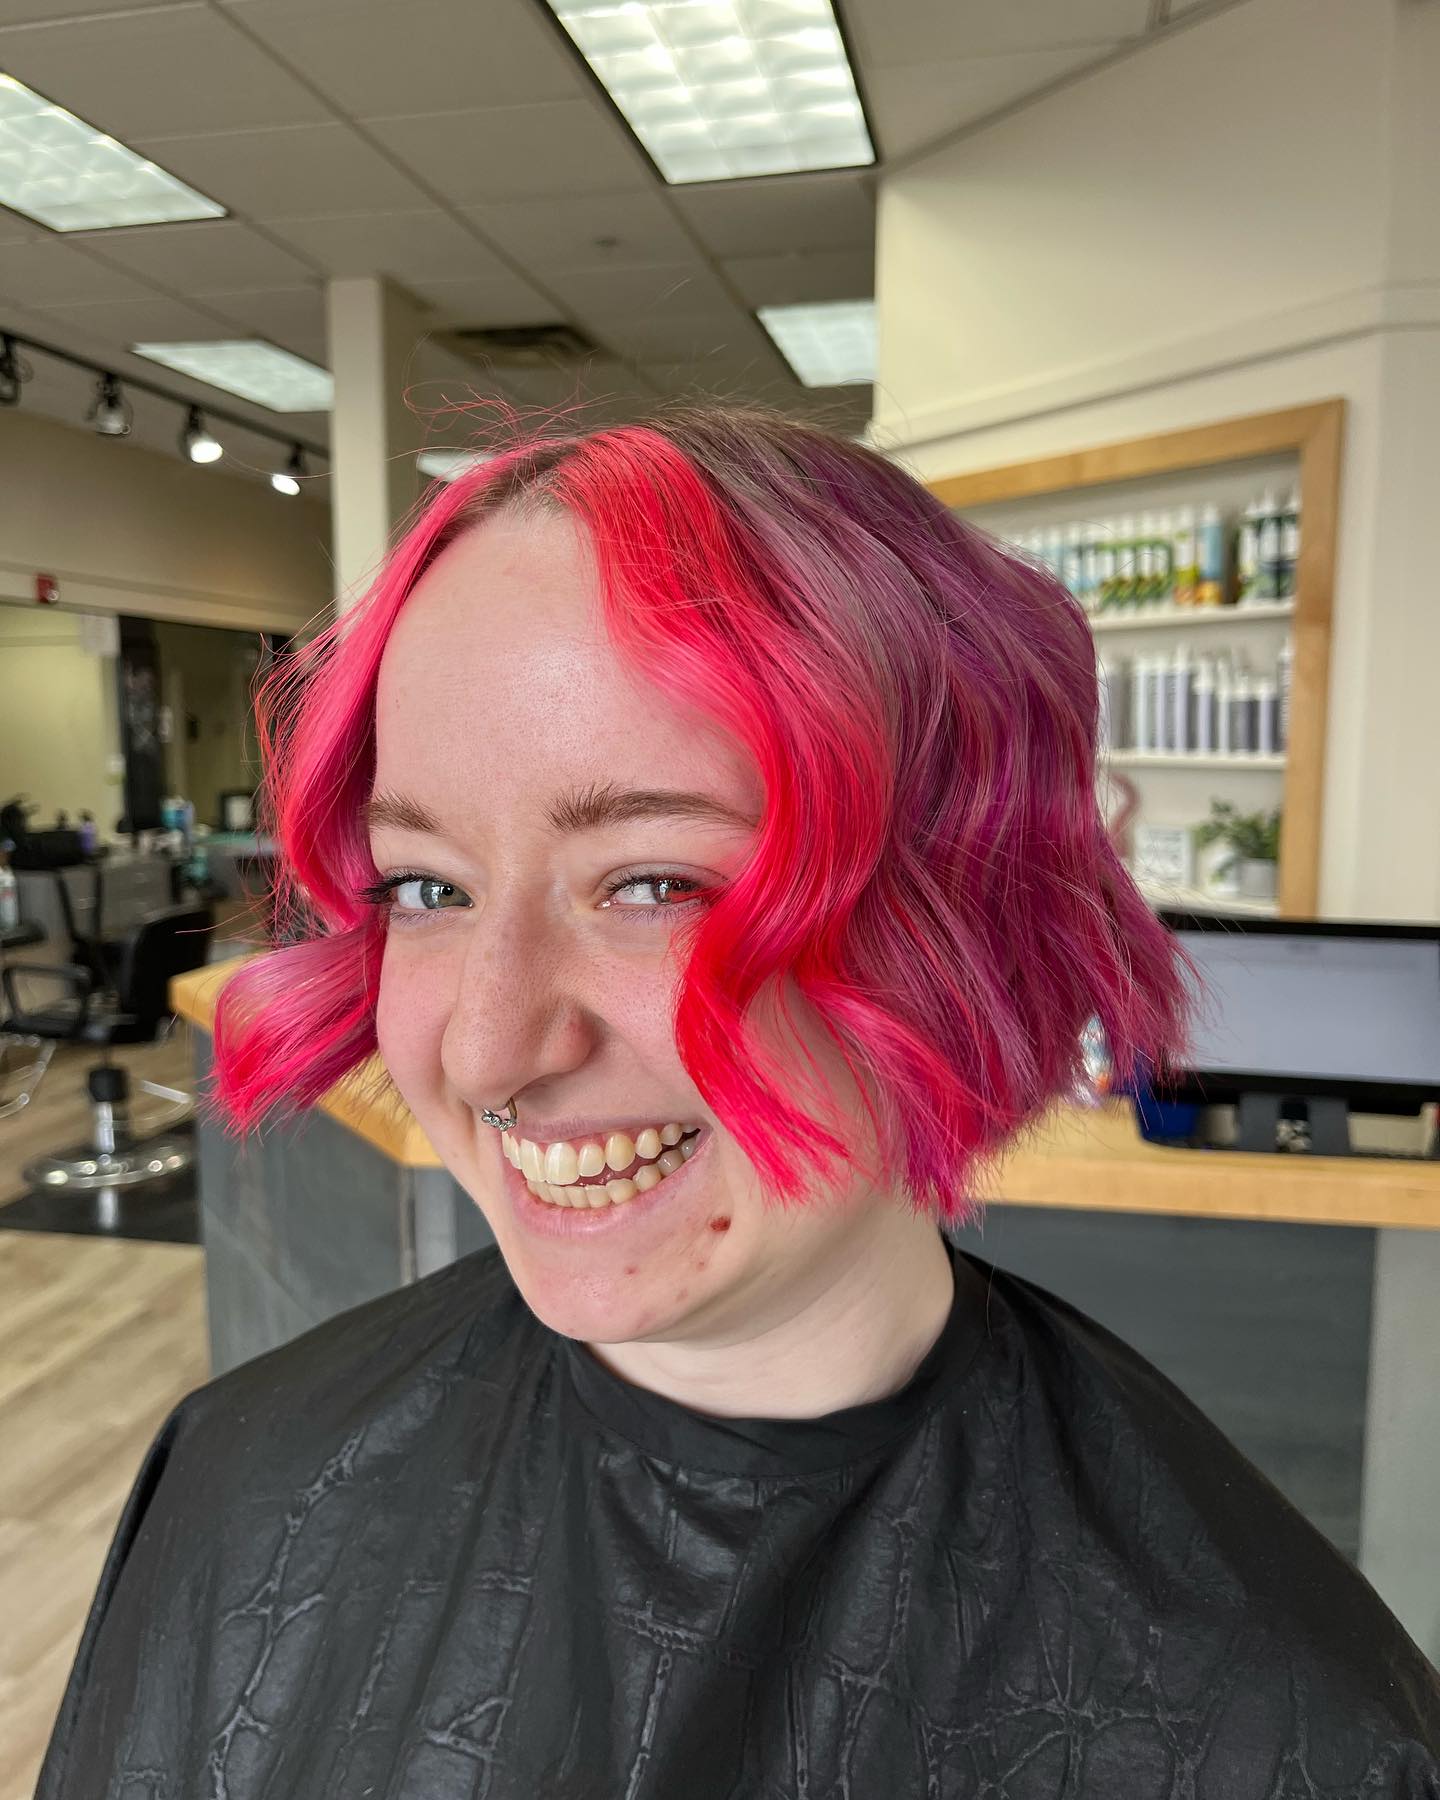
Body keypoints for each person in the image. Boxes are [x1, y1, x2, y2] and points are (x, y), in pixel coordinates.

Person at [37, 406, 1439, 1797]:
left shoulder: (1283, 1731)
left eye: (656, 884)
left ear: (966, 921)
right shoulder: (240, 1482)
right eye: (427, 888)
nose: (485, 1047)